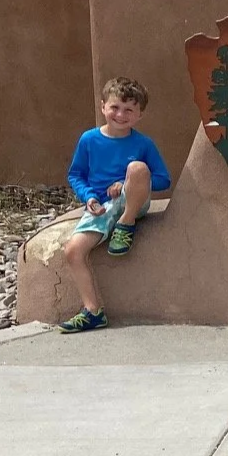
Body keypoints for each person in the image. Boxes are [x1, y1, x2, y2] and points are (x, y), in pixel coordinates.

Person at [57, 76, 172, 333]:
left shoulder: (143, 144)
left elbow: (163, 179)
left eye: (129, 110)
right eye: (115, 107)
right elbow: (76, 175)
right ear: (103, 107)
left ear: (140, 115)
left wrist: (126, 181)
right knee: (73, 251)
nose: (121, 114)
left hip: (132, 204)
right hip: (102, 206)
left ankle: (126, 225)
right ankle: (93, 312)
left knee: (138, 167)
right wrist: (89, 197)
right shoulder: (88, 140)